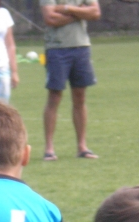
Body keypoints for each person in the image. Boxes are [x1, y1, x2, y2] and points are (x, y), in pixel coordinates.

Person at [40, 0, 100, 161]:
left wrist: (67, 9)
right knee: (54, 96)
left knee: (80, 97)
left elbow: (95, 13)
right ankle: (49, 149)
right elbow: (50, 18)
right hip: (57, 49)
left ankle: (82, 147)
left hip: (81, 47)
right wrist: (80, 13)